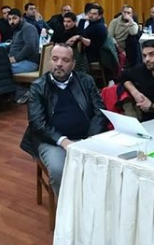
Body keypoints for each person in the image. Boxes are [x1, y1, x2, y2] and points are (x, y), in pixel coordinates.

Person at [20, 43, 106, 195]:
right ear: (49, 61)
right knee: (59, 170)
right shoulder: (38, 87)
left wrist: (90, 140)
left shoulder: (86, 81)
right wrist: (64, 141)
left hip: (86, 138)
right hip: (52, 141)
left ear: (73, 64)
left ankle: (91, 202)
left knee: (105, 166)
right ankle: (65, 208)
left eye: (65, 60)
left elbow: (100, 112)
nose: (59, 64)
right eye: (55, 59)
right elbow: (37, 124)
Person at [7, 8, 40, 103]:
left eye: (14, 18)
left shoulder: (28, 28)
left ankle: (24, 92)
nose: (11, 21)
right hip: (20, 61)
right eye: (9, 19)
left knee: (5, 70)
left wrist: (15, 58)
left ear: (21, 18)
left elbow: (30, 46)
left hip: (29, 62)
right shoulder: (17, 29)